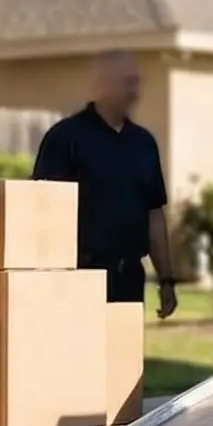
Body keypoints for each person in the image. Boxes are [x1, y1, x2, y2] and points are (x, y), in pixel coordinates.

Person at [32, 51, 182, 319]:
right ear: (102, 85)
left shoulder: (143, 143)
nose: (135, 91)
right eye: (127, 82)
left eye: (137, 82)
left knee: (124, 358)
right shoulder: (65, 138)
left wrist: (166, 279)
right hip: (80, 277)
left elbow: (154, 213)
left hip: (129, 279)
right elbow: (43, 210)